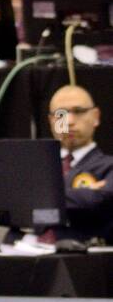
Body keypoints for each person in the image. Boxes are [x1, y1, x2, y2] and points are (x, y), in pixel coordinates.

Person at [47, 84, 112, 242]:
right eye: (60, 114)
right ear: (51, 121)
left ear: (96, 116)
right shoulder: (35, 166)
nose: (69, 121)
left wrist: (35, 197)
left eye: (78, 111)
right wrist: (83, 193)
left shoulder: (108, 166)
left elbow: (99, 200)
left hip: (85, 257)